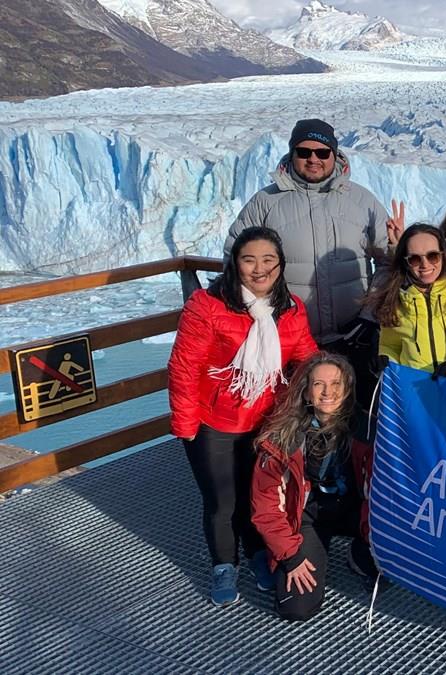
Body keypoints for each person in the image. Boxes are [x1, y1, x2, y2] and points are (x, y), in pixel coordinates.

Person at [167, 226, 318, 606]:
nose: (259, 269)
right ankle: (223, 564)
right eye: (249, 259)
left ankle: (256, 554)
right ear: (235, 264)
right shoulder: (207, 306)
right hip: (213, 422)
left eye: (269, 260)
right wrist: (186, 427)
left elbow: (305, 357)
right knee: (222, 501)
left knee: (259, 494)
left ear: (281, 265)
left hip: (266, 421)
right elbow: (184, 368)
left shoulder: (291, 309)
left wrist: (322, 390)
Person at [225, 118, 403, 405]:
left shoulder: (361, 200)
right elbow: (235, 259)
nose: (313, 159)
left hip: (353, 335)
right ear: (291, 154)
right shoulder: (266, 202)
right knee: (290, 415)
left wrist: (369, 316)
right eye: (304, 151)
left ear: (335, 155)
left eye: (322, 152)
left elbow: (388, 263)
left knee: (354, 412)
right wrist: (261, 313)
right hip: (286, 338)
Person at [251, 352, 376, 622]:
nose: (327, 392)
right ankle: (304, 553)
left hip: (352, 509)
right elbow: (265, 507)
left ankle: (359, 554)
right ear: (306, 393)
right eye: (318, 384)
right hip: (306, 516)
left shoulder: (366, 430)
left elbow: (380, 498)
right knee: (296, 607)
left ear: (347, 390)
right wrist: (290, 556)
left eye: (336, 384)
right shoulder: (281, 438)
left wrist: (373, 540)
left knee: (382, 558)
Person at [369, 224, 446, 380]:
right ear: (406, 262)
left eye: (433, 256)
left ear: (445, 256)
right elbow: (390, 346)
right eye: (415, 259)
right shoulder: (394, 302)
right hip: (417, 396)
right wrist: (385, 360)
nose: (425, 264)